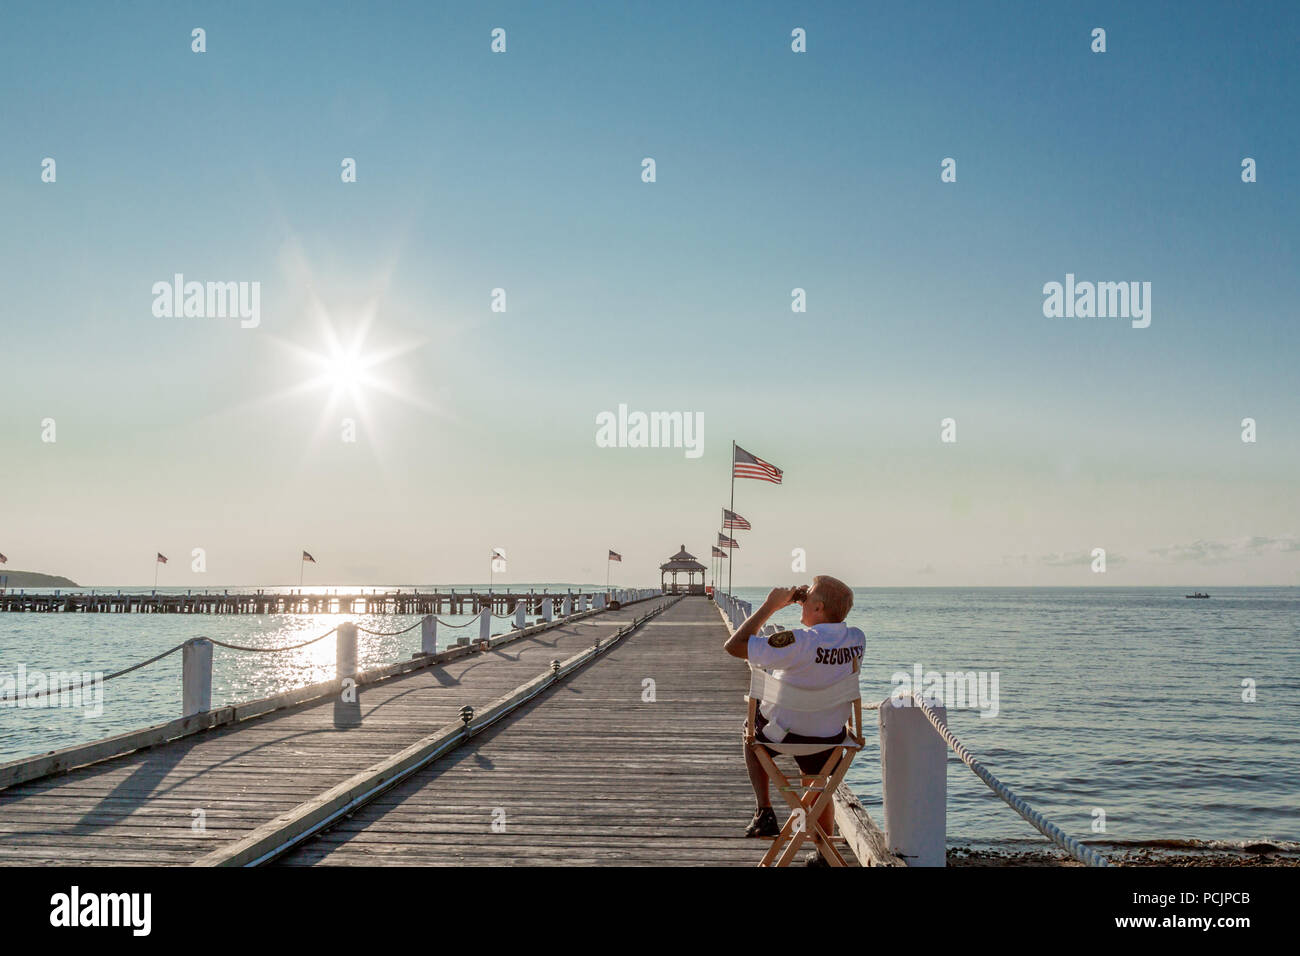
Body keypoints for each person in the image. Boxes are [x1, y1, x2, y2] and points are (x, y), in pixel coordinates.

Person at [723, 575, 864, 860]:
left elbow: (735, 646)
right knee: (817, 780)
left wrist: (770, 606)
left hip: (780, 735)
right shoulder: (857, 639)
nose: (802, 601)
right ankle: (824, 854)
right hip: (830, 739)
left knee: (749, 731)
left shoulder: (797, 642)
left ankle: (764, 812)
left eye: (807, 598)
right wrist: (808, 600)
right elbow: (824, 644)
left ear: (818, 607)